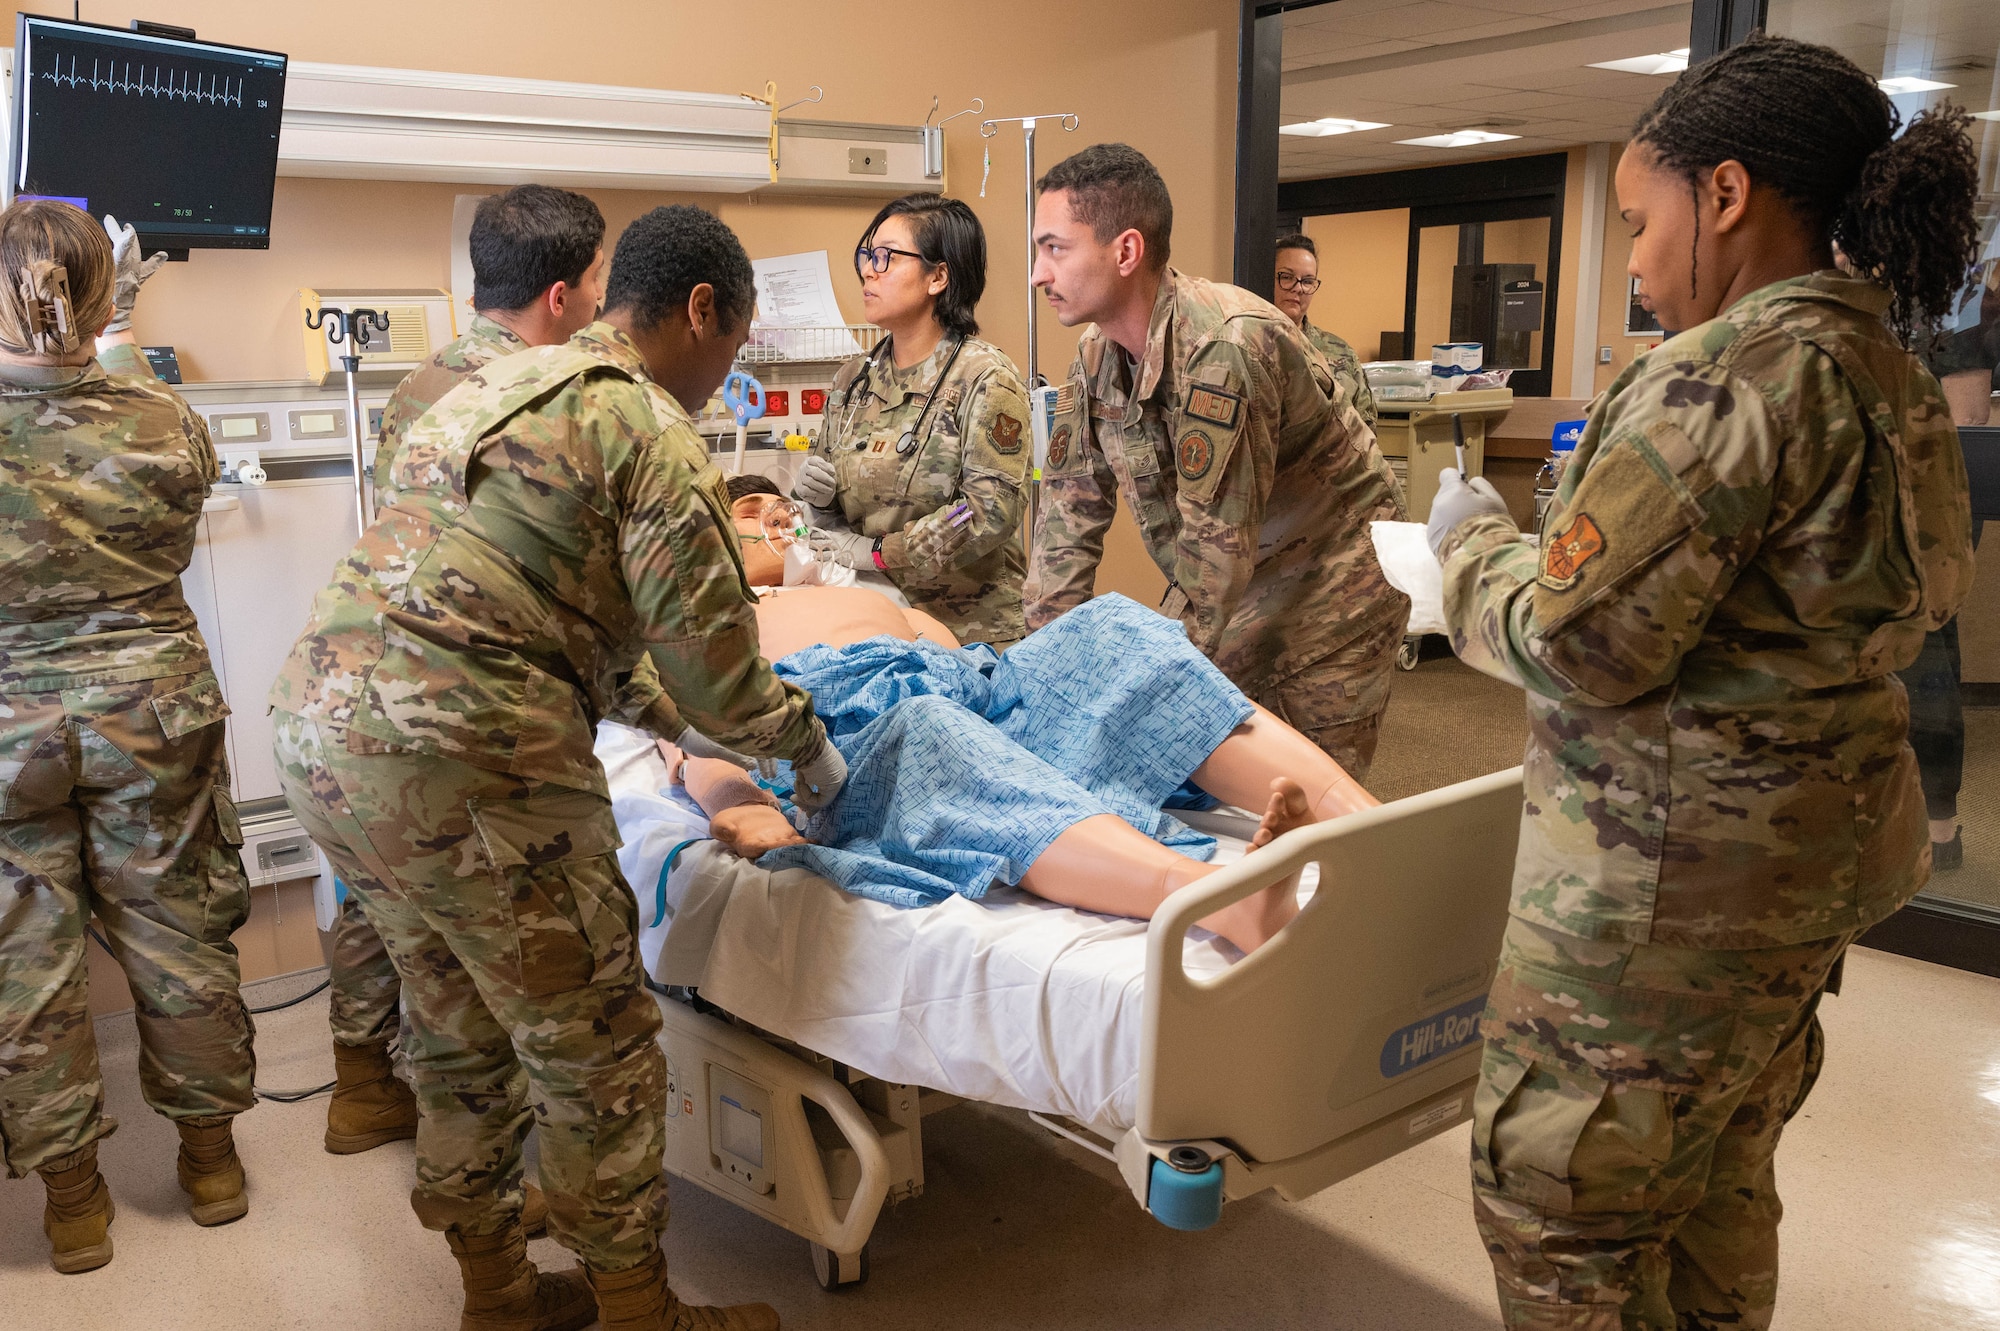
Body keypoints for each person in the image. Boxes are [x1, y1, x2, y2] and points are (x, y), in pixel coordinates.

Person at [1423, 36, 1978, 1329]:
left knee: (1569, 1220)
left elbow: (1580, 639)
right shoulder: (1893, 379)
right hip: (1796, 903)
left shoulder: (1726, 377)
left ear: (1724, 194)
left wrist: (1469, 549)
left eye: (1636, 218)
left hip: (1656, 923)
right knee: (1721, 1189)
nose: (1627, 256)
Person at [271, 205, 844, 1331]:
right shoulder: (647, 424)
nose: (728, 371)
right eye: (735, 342)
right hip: (467, 748)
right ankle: (642, 1314)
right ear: (700, 311)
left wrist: (663, 716)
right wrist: (805, 748)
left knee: (455, 1024)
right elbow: (721, 668)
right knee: (599, 1048)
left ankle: (499, 1296)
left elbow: (546, 604)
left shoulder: (495, 385)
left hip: (324, 725)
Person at [323, 184, 607, 1210]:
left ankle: (361, 1081)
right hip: (484, 688)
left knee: (386, 897)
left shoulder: (417, 384)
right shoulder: (559, 391)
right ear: (567, 293)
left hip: (367, 679)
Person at [0, 201, 256, 1273]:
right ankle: (210, 1164)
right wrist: (117, 335)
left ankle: (73, 1205)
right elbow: (181, 474)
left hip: (10, 727)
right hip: (153, 710)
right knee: (177, 931)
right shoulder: (162, 419)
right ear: (106, 297)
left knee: (26, 960)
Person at [667, 587, 1378, 953]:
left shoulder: (866, 594)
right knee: (933, 731)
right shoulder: (690, 629)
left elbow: (958, 652)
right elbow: (688, 741)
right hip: (845, 733)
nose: (765, 516)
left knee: (1115, 627)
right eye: (745, 511)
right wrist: (745, 806)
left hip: (978, 682)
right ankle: (1230, 902)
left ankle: (1375, 827)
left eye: (770, 507)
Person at [1023, 143, 1409, 780]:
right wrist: (1041, 673)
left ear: (1125, 252)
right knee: (1205, 780)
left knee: (1311, 799)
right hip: (1240, 581)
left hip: (1336, 590)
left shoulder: (1225, 348)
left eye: (1054, 248)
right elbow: (1066, 523)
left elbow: (1215, 559)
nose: (1038, 273)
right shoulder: (1096, 357)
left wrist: (1149, 689)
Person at [789, 194, 1032, 645]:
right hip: (874, 622)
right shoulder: (852, 381)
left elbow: (984, 512)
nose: (868, 270)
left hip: (970, 637)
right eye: (867, 254)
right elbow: (827, 523)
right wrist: (813, 501)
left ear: (938, 276)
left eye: (886, 257)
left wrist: (880, 553)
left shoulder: (984, 379)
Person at [1271, 232, 1377, 427]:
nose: (1298, 288)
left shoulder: (1341, 353)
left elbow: (1365, 429)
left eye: (1308, 281)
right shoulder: (1249, 344)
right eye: (1287, 277)